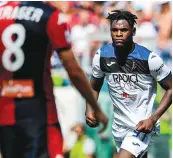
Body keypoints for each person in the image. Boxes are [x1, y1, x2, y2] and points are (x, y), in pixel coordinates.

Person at [0, 2, 108, 158]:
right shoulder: (49, 15)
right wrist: (95, 107)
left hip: (5, 113)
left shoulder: (2, 13)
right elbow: (74, 70)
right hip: (39, 113)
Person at [86, 10, 172, 158]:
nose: (119, 33)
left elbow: (171, 88)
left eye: (124, 30)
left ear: (133, 31)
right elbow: (94, 85)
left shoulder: (149, 59)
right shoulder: (102, 56)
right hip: (119, 127)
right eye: (115, 30)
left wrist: (153, 118)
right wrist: (89, 108)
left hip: (141, 126)